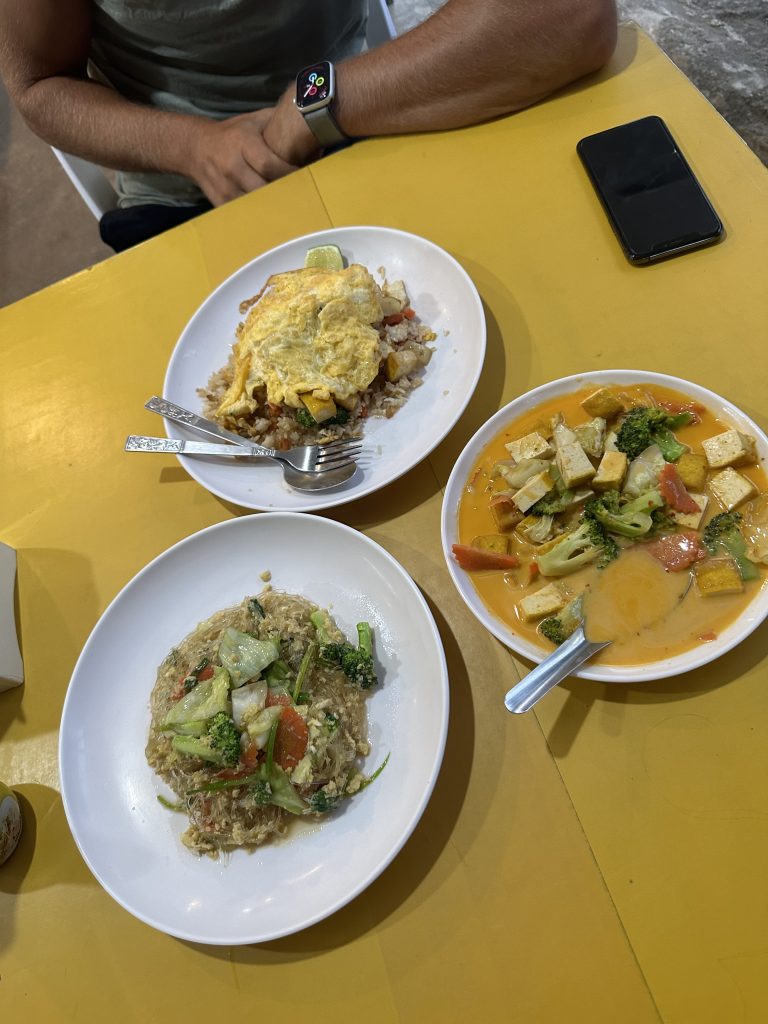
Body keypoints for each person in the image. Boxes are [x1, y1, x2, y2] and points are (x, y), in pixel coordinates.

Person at [0, 0, 617, 250]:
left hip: (366, 134)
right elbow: (39, 88)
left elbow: (574, 15)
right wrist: (193, 146)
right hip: (183, 201)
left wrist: (317, 105)